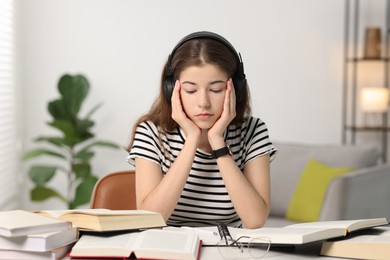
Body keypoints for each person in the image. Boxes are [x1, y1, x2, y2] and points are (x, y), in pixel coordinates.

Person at [127, 31, 276, 229]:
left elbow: (255, 220)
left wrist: (217, 141)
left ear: (236, 90)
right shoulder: (151, 133)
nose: (203, 103)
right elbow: (150, 219)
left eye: (215, 90)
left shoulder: (253, 132)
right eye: (191, 90)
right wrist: (192, 140)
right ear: (171, 89)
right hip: (167, 249)